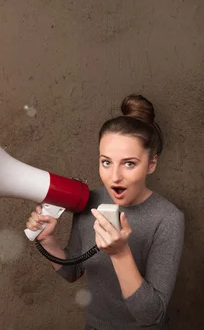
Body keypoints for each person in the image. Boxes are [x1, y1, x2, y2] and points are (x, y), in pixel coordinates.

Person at [26, 94, 185, 330]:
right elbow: (73, 271)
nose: (115, 177)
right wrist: (48, 240)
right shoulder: (89, 200)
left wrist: (120, 255)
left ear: (151, 164)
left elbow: (151, 315)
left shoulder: (168, 219)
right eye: (106, 162)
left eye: (129, 163)